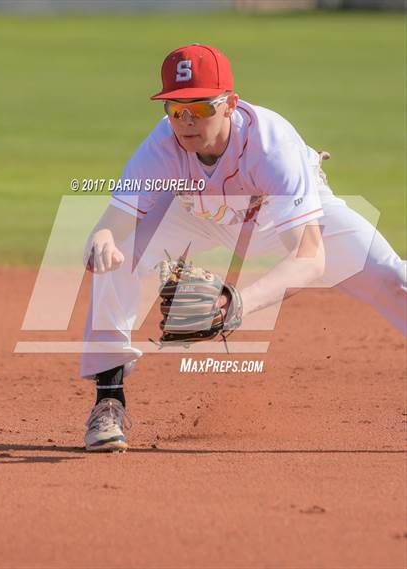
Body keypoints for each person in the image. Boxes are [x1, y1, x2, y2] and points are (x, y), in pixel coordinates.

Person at [81, 44, 406, 452]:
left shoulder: (271, 146)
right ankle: (108, 401)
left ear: (231, 103)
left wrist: (238, 303)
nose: (185, 121)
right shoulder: (162, 146)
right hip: (196, 213)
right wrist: (102, 240)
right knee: (119, 256)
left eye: (199, 107)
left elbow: (310, 257)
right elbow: (114, 222)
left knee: (393, 279)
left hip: (277, 216)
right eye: (174, 108)